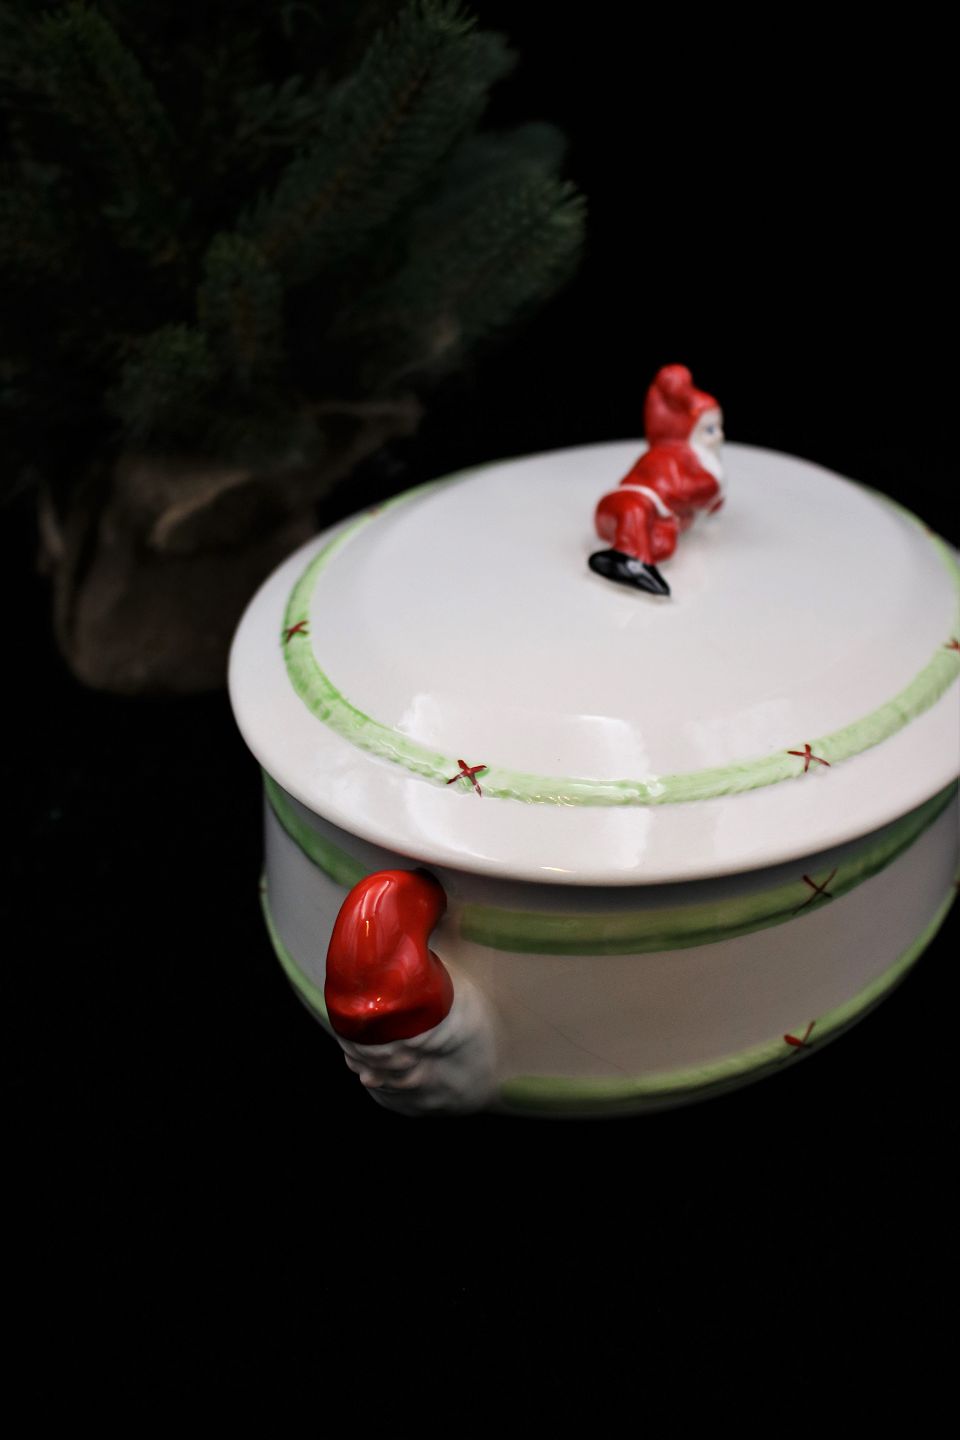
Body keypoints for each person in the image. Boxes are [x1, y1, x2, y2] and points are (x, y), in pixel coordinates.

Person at [590, 364, 725, 596]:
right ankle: (630, 559)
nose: (719, 436)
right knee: (635, 509)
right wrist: (711, 486)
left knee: (664, 544)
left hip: (659, 521)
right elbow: (680, 491)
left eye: (719, 428)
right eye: (709, 430)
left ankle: (636, 557)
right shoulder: (666, 457)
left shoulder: (701, 465)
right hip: (624, 506)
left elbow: (704, 501)